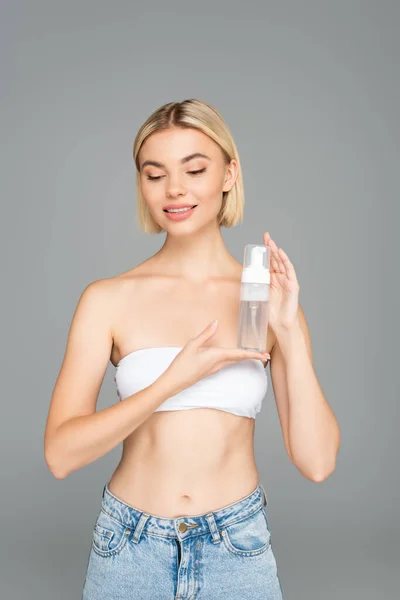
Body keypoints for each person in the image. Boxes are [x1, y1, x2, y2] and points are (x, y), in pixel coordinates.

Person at [44, 98, 340, 599]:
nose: (174, 189)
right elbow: (60, 454)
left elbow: (317, 463)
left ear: (229, 173)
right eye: (154, 174)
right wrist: (171, 382)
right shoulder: (107, 299)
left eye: (194, 169)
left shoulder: (262, 300)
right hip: (129, 549)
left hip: (236, 549)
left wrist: (288, 333)